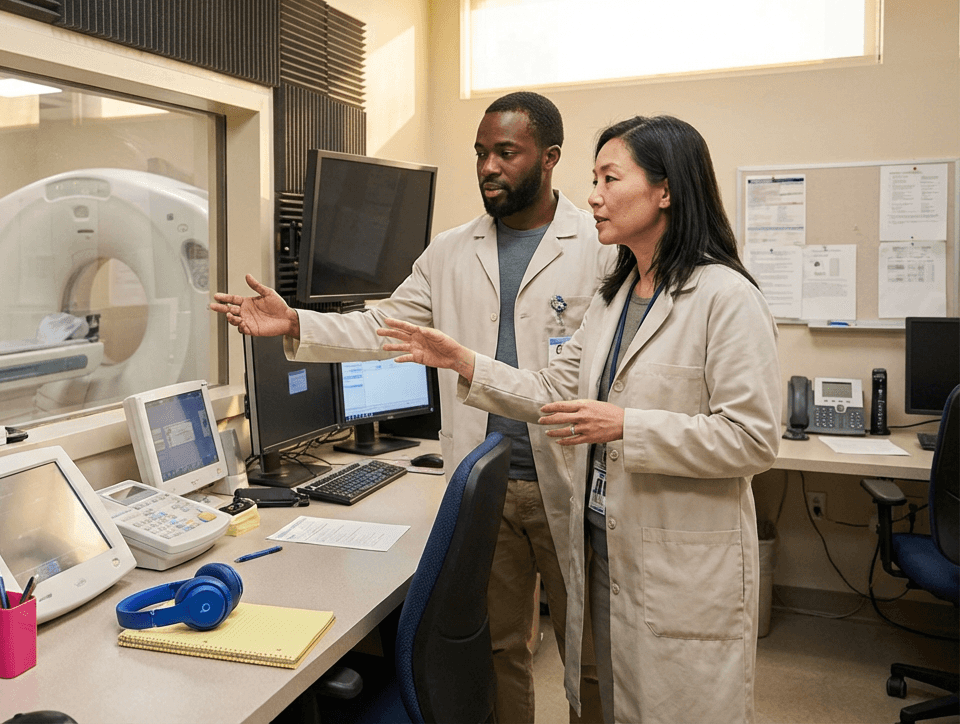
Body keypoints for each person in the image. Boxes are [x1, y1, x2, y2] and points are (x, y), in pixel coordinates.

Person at [212, 92, 612, 723]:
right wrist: (297, 321)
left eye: (506, 152)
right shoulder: (452, 249)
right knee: (502, 648)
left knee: (590, 656)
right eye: (481, 153)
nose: (488, 166)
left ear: (550, 157)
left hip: (571, 474)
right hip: (487, 486)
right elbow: (385, 327)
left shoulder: (597, 246)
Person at [377, 115, 781, 724]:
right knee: (601, 694)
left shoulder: (725, 298)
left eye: (610, 178)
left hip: (678, 560)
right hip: (601, 538)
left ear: (665, 190)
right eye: (593, 178)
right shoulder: (616, 297)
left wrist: (626, 425)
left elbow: (752, 439)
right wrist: (463, 360)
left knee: (676, 706)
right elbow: (550, 390)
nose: (592, 195)